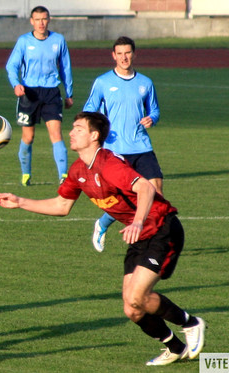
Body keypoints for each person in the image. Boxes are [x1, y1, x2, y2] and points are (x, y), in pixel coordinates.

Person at [0, 112, 206, 366]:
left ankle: (191, 323)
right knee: (132, 309)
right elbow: (62, 205)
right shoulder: (79, 169)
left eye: (79, 128)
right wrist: (20, 202)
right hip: (137, 235)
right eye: (72, 128)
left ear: (94, 136)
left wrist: (137, 220)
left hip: (162, 228)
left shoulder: (109, 164)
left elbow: (146, 187)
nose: (71, 132)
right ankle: (174, 347)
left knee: (138, 296)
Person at [83, 36, 162, 252]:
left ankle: (154, 238)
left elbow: (154, 109)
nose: (124, 57)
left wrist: (151, 119)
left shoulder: (145, 83)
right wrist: (100, 124)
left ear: (134, 54)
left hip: (142, 146)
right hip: (115, 150)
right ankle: (102, 224)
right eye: (120, 53)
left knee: (156, 192)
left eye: (127, 53)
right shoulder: (103, 82)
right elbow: (89, 110)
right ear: (113, 56)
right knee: (124, 199)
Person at [6, 5, 74, 186]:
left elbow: (65, 68)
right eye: (37, 20)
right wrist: (16, 84)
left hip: (51, 92)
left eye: (44, 19)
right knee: (28, 137)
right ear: (31, 21)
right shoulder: (24, 41)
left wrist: (69, 93)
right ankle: (26, 174)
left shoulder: (58, 40)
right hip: (29, 93)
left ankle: (63, 176)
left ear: (49, 19)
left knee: (56, 134)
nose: (41, 23)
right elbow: (11, 66)